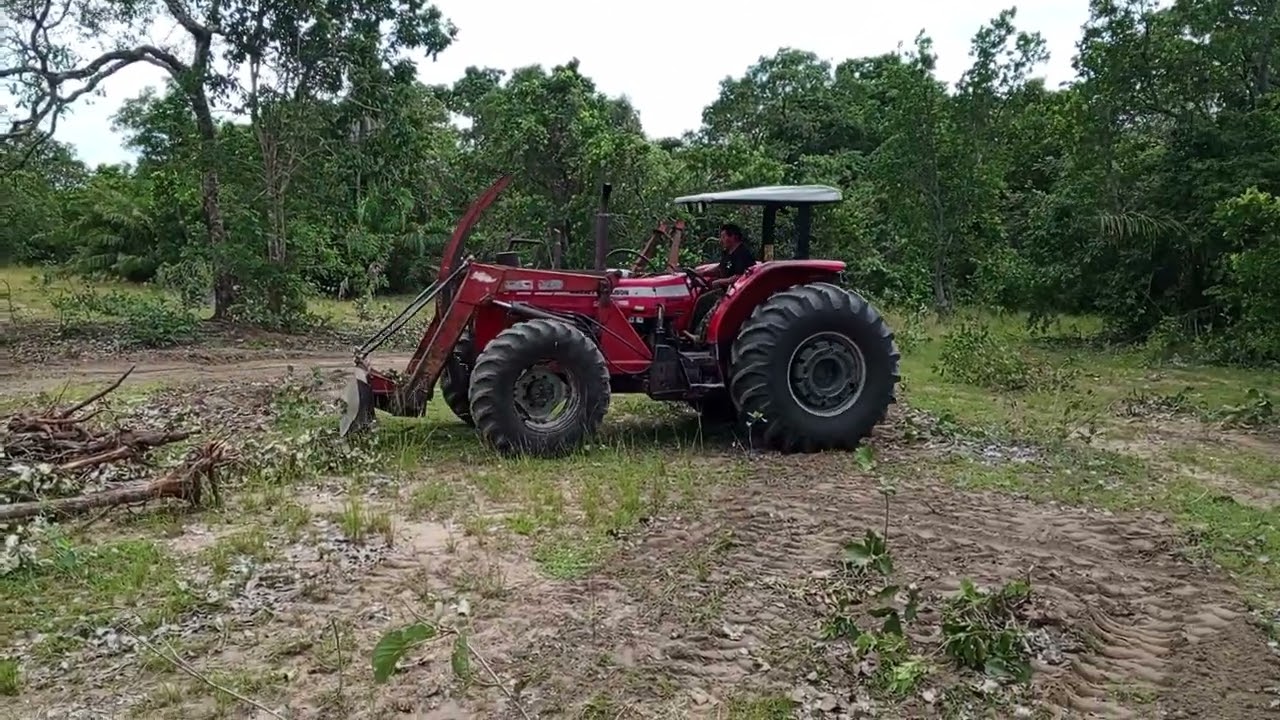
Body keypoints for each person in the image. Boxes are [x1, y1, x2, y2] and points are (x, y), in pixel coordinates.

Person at [710, 223, 756, 288]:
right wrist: (702, 273)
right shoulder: (727, 252)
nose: (721, 241)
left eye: (723, 237)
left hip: (736, 290)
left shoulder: (742, 254)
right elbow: (721, 268)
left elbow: (739, 277)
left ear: (733, 237)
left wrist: (720, 282)